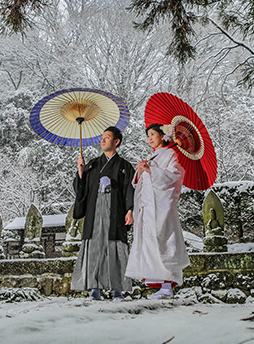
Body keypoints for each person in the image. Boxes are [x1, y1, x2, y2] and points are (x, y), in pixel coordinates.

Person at [125, 123, 190, 299]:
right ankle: (160, 284)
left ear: (163, 136)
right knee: (150, 243)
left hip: (161, 207)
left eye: (153, 134)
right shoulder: (152, 156)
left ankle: (167, 284)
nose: (150, 138)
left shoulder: (170, 155)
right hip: (147, 207)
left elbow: (173, 177)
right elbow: (139, 183)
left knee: (164, 241)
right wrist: (140, 172)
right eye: (148, 135)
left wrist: (150, 169)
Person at [71, 126, 135, 300]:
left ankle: (118, 290)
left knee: (115, 247)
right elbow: (81, 190)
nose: (103, 140)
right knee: (94, 248)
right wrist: (81, 171)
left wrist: (130, 210)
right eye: (102, 137)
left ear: (116, 142)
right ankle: (94, 289)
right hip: (95, 211)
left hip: (115, 211)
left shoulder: (125, 166)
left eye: (107, 137)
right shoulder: (92, 164)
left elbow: (130, 189)